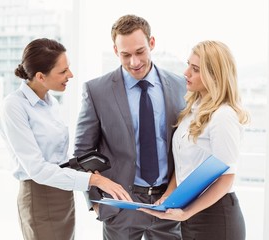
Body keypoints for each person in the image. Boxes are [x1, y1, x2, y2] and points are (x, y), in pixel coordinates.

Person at [0, 38, 131, 240]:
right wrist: (95, 180)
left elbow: (56, 157)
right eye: (63, 72)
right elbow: (38, 170)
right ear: (41, 76)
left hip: (63, 192)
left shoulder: (50, 103)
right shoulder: (14, 107)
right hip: (39, 195)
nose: (70, 75)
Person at [74, 15, 186, 240]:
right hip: (122, 207)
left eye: (140, 52)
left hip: (170, 203)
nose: (134, 62)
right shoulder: (97, 91)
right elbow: (82, 153)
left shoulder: (180, 85)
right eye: (125, 55)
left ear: (151, 43)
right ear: (116, 51)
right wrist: (96, 202)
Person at [138, 40, 249, 240]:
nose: (186, 72)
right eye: (188, 64)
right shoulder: (192, 111)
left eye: (195, 69)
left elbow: (226, 178)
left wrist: (188, 212)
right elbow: (182, 167)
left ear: (214, 75)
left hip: (215, 216)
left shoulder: (223, 116)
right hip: (190, 215)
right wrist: (167, 198)